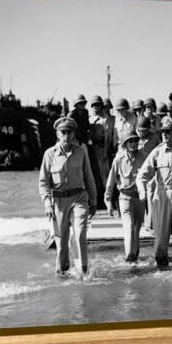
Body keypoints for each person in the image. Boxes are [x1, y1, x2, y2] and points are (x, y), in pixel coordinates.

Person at [39, 117, 97, 275]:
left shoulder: (81, 152)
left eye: (69, 132)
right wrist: (47, 204)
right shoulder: (49, 155)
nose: (66, 135)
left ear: (73, 134)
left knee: (79, 233)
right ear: (57, 134)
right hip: (58, 202)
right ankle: (62, 272)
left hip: (79, 198)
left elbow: (88, 177)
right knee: (62, 243)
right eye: (63, 132)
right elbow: (43, 182)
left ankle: (82, 271)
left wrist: (94, 199)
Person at [137, 117, 172, 271]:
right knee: (161, 237)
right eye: (163, 132)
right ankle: (161, 267)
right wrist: (142, 191)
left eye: (168, 132)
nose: (165, 134)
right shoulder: (157, 152)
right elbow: (142, 175)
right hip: (161, 194)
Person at [105, 130, 148, 262]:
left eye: (136, 141)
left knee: (136, 229)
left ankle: (134, 256)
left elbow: (151, 178)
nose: (134, 143)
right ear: (125, 144)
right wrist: (108, 202)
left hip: (139, 199)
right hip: (125, 198)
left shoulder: (145, 157)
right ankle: (129, 257)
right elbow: (111, 182)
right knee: (129, 227)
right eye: (130, 141)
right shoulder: (118, 160)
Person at [89, 95, 111, 204]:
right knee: (93, 175)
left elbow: (107, 136)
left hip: (102, 149)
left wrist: (106, 151)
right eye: (94, 105)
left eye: (98, 105)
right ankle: (95, 200)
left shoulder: (105, 119)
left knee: (105, 175)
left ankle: (107, 200)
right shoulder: (90, 119)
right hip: (93, 149)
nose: (96, 107)